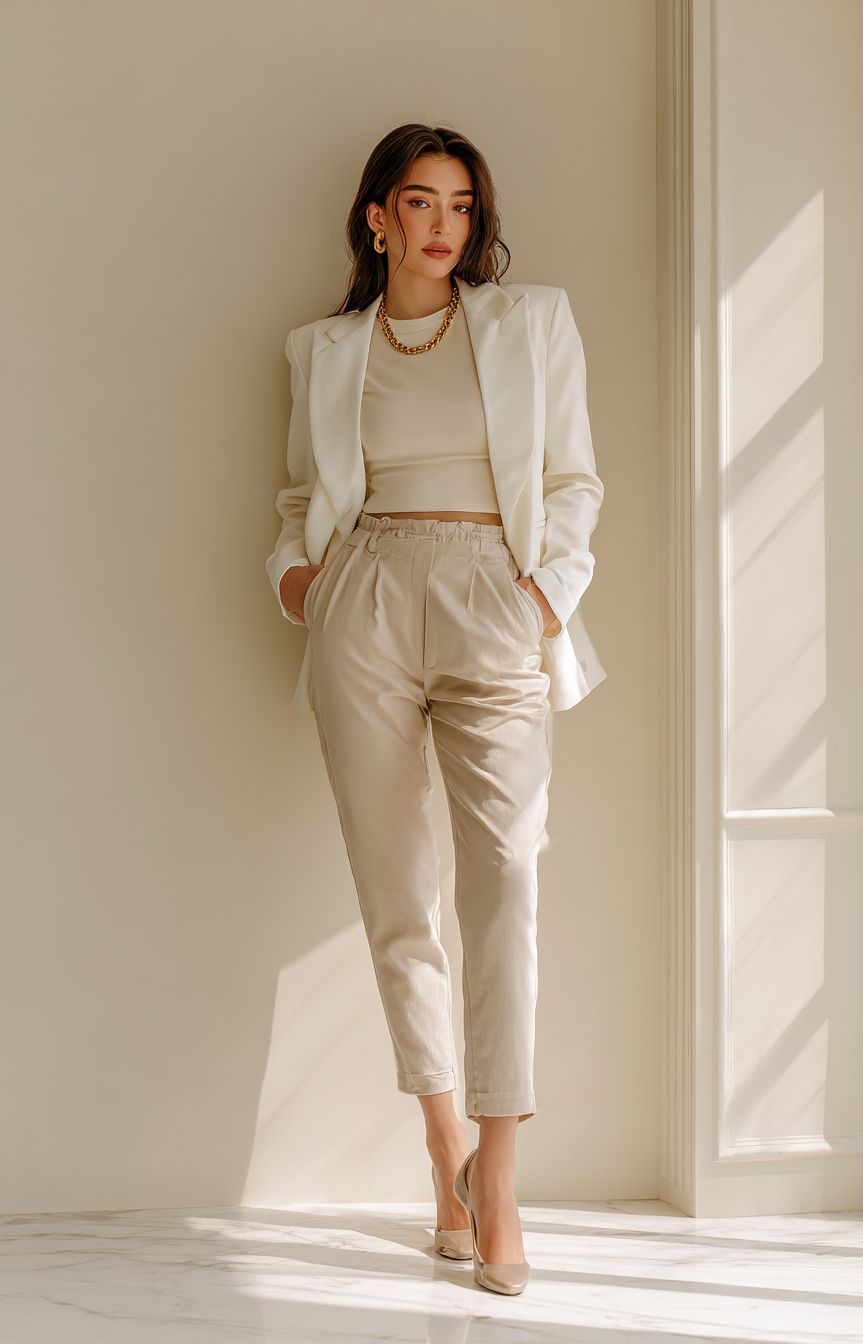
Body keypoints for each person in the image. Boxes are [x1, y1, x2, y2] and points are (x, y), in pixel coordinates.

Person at [266, 123, 605, 1296]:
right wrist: (297, 580)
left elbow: (571, 478)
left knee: (504, 870)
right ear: (378, 218)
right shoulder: (323, 349)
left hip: (490, 595)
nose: (443, 225)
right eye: (420, 203)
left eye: (461, 206)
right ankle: (442, 1149)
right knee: (394, 890)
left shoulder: (530, 324)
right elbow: (301, 494)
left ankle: (498, 1174)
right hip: (362, 597)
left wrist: (544, 598)